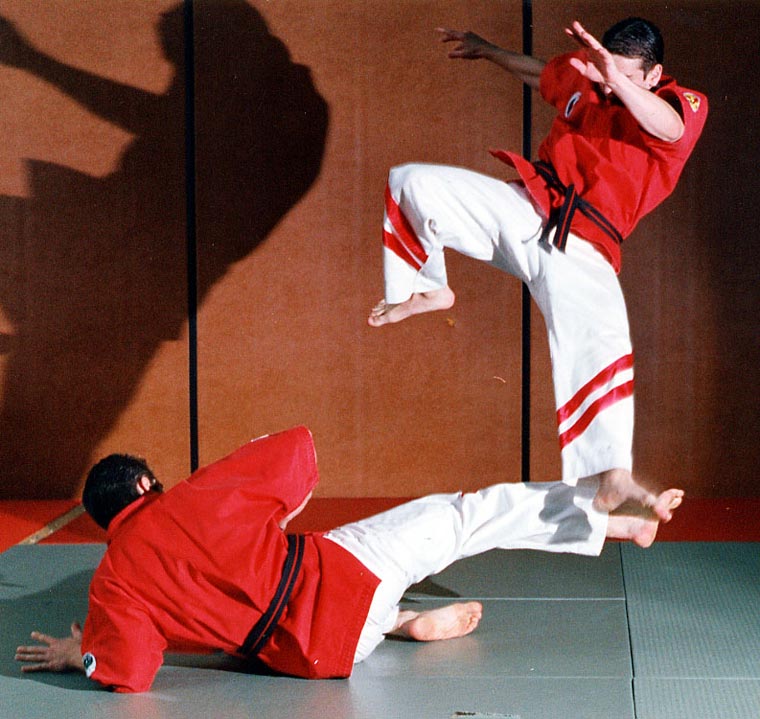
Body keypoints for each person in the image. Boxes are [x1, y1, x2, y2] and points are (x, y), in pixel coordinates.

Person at [15, 426, 683, 692]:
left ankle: (399, 623)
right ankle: (611, 522)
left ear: (105, 518)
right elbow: (299, 456)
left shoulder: (113, 582)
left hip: (314, 658)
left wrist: (84, 652)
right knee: (466, 514)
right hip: (345, 574)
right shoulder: (190, 498)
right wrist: (257, 513)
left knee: (235, 629)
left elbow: (130, 672)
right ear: (144, 484)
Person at [368, 19, 707, 505]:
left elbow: (669, 128)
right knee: (411, 183)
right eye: (604, 71)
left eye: (624, 75)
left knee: (600, 344)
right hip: (528, 208)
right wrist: (487, 49)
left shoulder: (679, 104)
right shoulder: (587, 75)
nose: (607, 82)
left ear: (653, 76)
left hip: (584, 247)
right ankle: (427, 288)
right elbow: (541, 73)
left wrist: (616, 80)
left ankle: (614, 477)